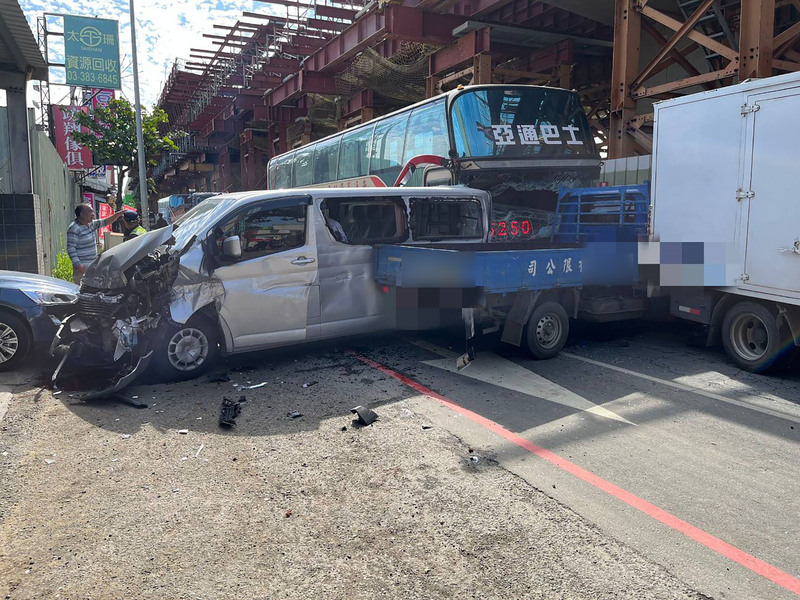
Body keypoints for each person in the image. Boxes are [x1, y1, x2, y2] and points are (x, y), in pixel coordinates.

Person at [67, 203, 124, 285]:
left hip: (92, 266)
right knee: (81, 289)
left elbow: (106, 221)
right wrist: (78, 265)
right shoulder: (74, 228)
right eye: (90, 212)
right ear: (82, 214)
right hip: (81, 268)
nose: (93, 214)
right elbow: (71, 248)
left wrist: (118, 214)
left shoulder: (91, 224)